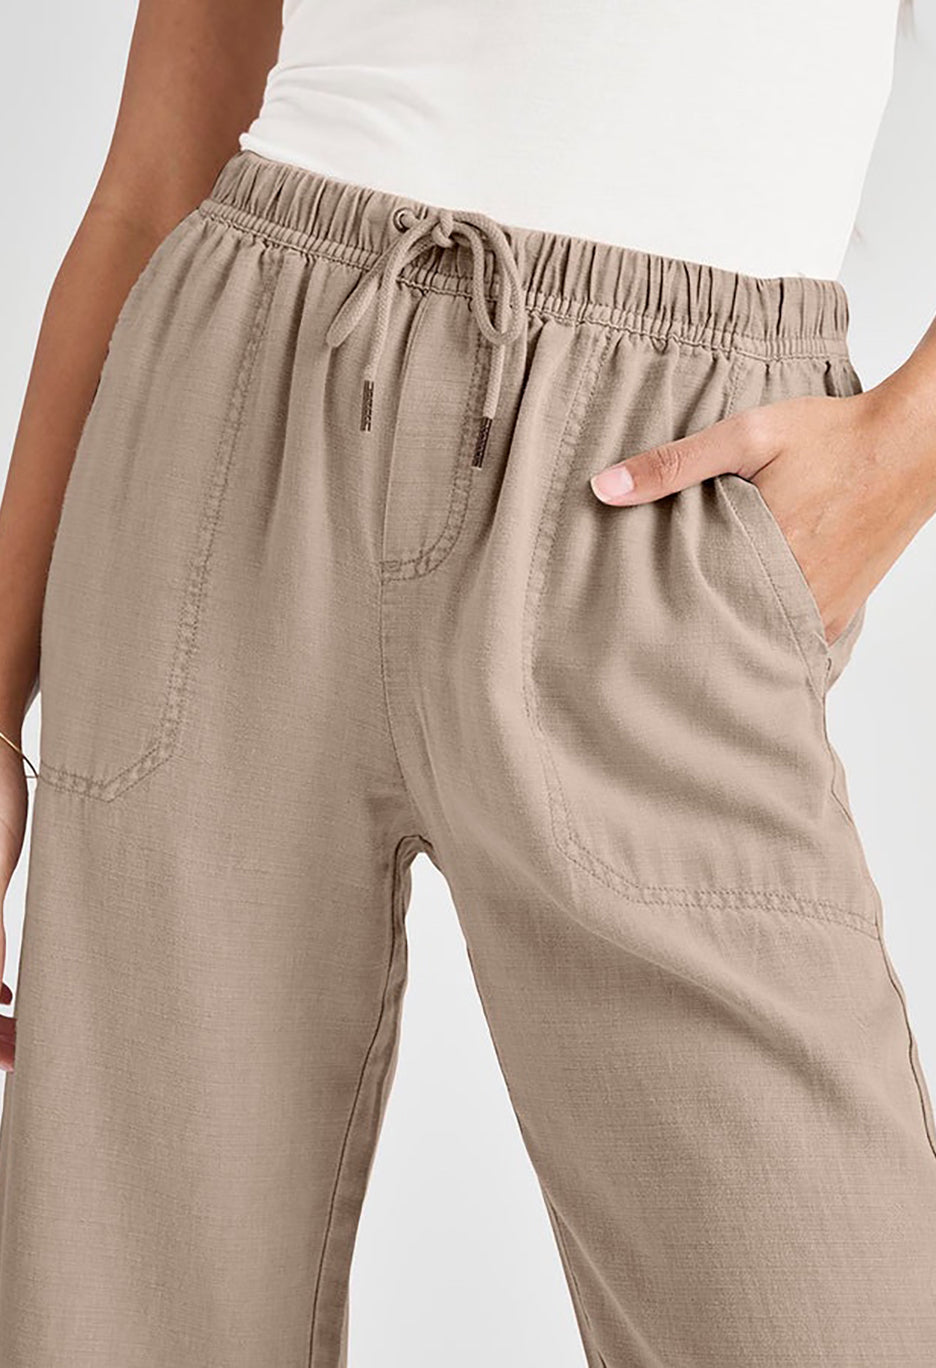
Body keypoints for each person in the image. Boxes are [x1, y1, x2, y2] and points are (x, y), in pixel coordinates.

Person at [0, 0, 934, 1363]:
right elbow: (157, 172)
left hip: (666, 485)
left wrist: (905, 453)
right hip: (233, 429)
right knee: (129, 1318)